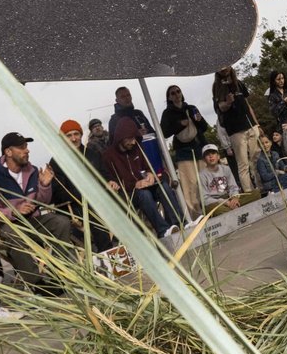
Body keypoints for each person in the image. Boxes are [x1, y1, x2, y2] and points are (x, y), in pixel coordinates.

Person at [0, 132, 81, 292]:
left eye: (26, 146)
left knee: (61, 222)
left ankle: (59, 273)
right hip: (10, 225)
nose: (27, 150)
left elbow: (43, 201)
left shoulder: (33, 170)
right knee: (15, 234)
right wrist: (14, 211)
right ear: (8, 152)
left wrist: (44, 185)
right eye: (21, 147)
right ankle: (37, 284)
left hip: (33, 220)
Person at [102, 118, 182, 239]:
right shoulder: (108, 156)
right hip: (129, 193)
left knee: (163, 186)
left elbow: (148, 167)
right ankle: (163, 230)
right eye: (130, 139)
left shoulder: (137, 148)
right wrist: (134, 184)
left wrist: (150, 174)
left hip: (145, 186)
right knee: (145, 195)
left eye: (135, 138)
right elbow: (112, 180)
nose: (133, 142)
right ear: (121, 137)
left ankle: (180, 224)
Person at [46, 120, 113, 253]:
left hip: (99, 199)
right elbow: (58, 194)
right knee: (95, 214)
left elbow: (104, 175)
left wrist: (110, 181)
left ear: (81, 135)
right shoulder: (57, 162)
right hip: (74, 207)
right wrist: (85, 193)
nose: (74, 138)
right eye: (69, 135)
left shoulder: (92, 154)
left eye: (76, 134)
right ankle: (108, 255)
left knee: (124, 199)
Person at [159, 85, 208, 219]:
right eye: (172, 93)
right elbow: (164, 132)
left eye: (178, 91)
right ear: (169, 97)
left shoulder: (191, 108)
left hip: (198, 147)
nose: (176, 94)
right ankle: (196, 215)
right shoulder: (167, 113)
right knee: (189, 184)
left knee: (204, 180)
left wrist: (199, 120)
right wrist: (180, 124)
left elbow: (204, 127)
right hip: (183, 150)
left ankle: (210, 208)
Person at [212, 67, 260, 191]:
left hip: (249, 124)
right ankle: (250, 192)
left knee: (256, 158)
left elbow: (247, 104)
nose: (224, 69)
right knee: (243, 163)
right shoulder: (216, 87)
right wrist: (227, 103)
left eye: (226, 66)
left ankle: (261, 187)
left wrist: (256, 123)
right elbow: (219, 108)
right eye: (221, 67)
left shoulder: (238, 83)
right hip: (235, 130)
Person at [198, 143, 241, 213]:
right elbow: (204, 199)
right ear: (204, 160)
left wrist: (235, 197)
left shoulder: (226, 169)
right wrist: (223, 202)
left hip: (228, 197)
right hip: (215, 202)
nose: (210, 156)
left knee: (255, 194)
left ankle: (233, 207)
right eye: (207, 154)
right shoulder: (201, 175)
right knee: (217, 210)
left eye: (213, 153)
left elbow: (233, 187)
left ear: (218, 156)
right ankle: (235, 209)